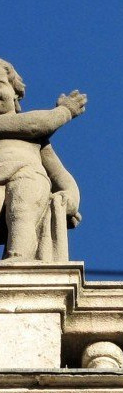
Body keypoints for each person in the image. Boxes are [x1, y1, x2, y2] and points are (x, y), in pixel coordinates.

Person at [0, 59, 87, 262]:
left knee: (22, 209)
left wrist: (70, 197)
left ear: (15, 94)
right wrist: (65, 111)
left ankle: (19, 257)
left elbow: (59, 173)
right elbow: (38, 124)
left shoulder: (36, 141)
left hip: (26, 176)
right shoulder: (26, 127)